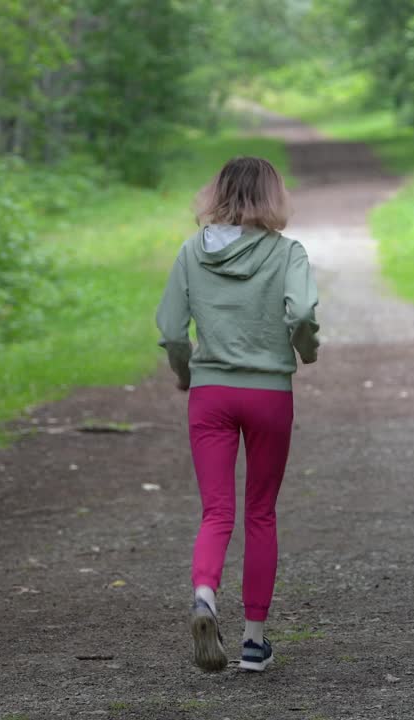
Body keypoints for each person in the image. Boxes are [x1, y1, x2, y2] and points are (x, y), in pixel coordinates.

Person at [155, 156, 320, 673]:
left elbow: (172, 330)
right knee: (261, 512)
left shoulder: (190, 252)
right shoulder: (287, 252)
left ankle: (204, 595)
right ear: (273, 197)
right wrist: (306, 352)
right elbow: (302, 313)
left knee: (216, 511)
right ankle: (253, 643)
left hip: (211, 395)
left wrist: (186, 374)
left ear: (217, 193)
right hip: (269, 392)